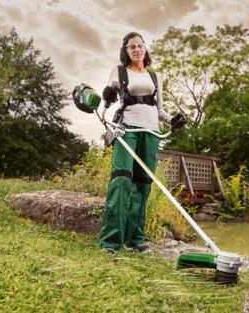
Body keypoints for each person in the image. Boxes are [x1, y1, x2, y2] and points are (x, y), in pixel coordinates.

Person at [99, 31, 186, 253]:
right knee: (121, 182)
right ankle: (111, 241)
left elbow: (159, 110)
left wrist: (172, 121)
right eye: (131, 46)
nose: (136, 49)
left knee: (142, 185)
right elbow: (105, 105)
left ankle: (134, 239)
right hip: (126, 130)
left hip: (151, 133)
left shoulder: (155, 77)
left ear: (145, 49)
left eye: (140, 45)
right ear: (125, 51)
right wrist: (107, 98)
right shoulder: (119, 72)